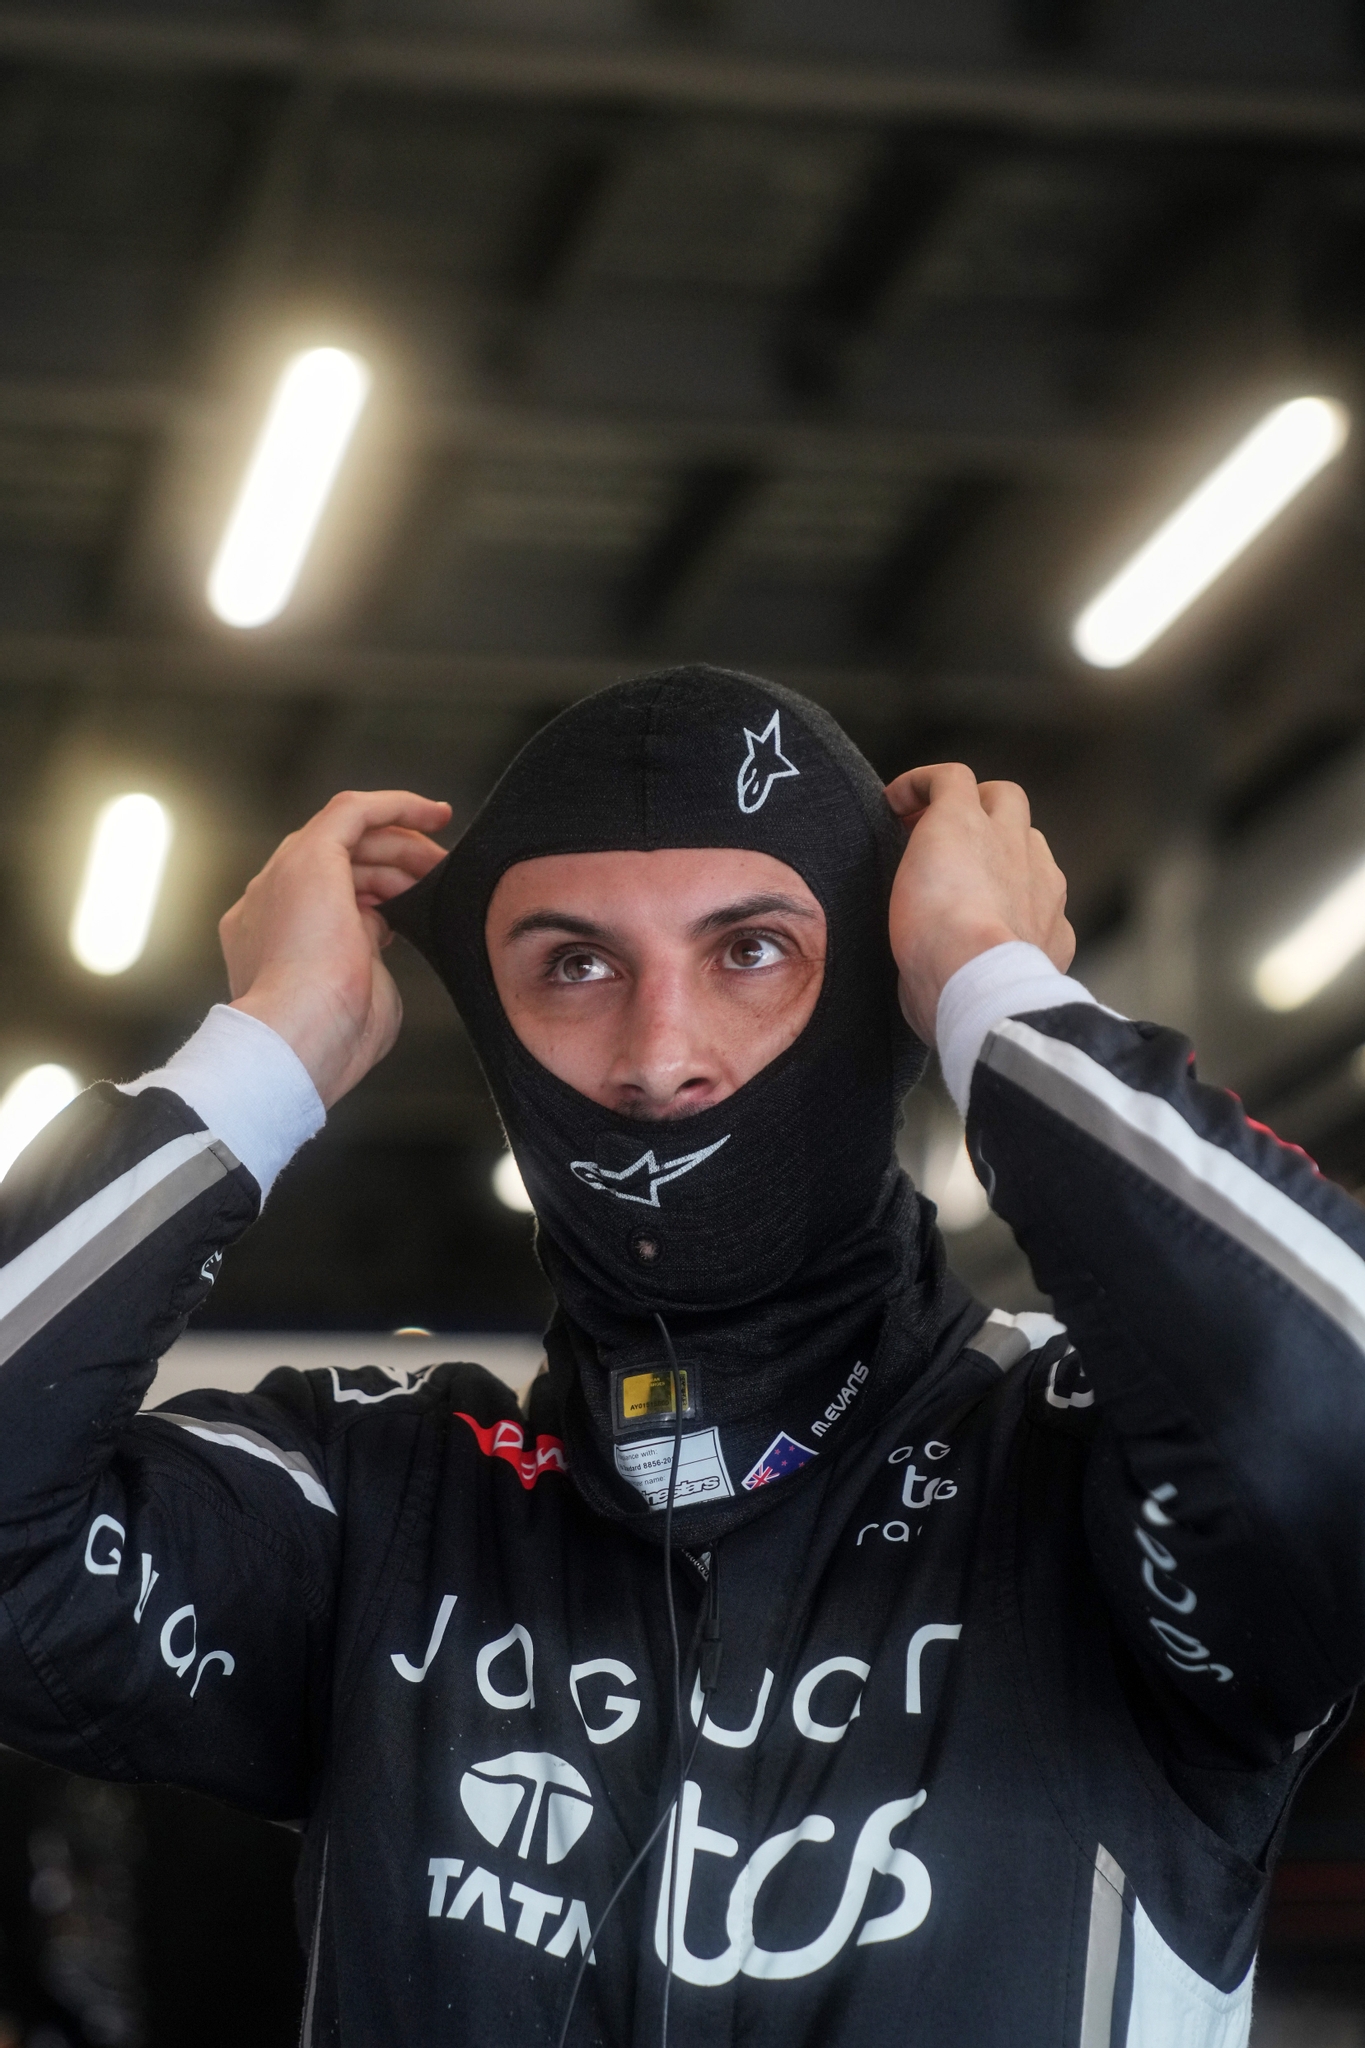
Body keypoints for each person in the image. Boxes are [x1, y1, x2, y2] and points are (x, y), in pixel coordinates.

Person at [0, 665, 1360, 2048]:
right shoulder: (381, 1501)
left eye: (752, 949)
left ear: (881, 989)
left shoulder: (1081, 1470)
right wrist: (265, 1051)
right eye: (573, 965)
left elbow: (1331, 1414)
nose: (661, 1057)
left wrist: (989, 985)